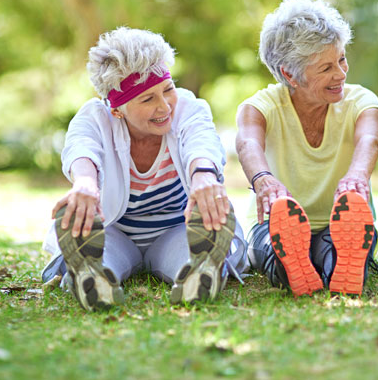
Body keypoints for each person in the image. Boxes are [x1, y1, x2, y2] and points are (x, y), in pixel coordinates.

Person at [41, 27, 248, 310]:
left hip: (176, 228)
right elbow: (81, 147)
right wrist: (85, 183)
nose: (165, 106)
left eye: (167, 89)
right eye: (147, 99)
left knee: (188, 256)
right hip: (115, 231)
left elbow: (201, 139)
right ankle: (92, 276)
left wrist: (203, 176)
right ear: (117, 110)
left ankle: (201, 273)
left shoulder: (188, 107)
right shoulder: (96, 117)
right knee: (103, 257)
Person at [236, 0, 378, 297]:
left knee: (340, 253)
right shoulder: (260, 107)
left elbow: (369, 139)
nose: (341, 74)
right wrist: (263, 179)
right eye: (326, 67)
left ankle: (338, 267)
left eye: (342, 59)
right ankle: (294, 265)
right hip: (274, 225)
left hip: (340, 224)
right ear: (289, 74)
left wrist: (357, 176)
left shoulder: (361, 101)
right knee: (276, 251)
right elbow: (248, 142)